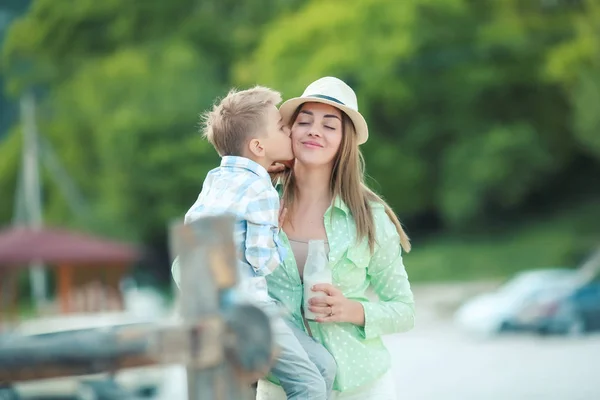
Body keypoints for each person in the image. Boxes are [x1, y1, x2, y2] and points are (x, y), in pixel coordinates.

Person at [171, 86, 337, 400]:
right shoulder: (261, 192)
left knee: (324, 367)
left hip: (207, 311)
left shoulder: (216, 179)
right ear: (259, 146)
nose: (288, 130)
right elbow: (263, 262)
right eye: (280, 126)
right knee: (310, 385)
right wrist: (274, 228)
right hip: (246, 313)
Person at [257, 77, 415, 400]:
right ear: (290, 132)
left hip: (361, 386)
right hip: (281, 386)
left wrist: (350, 309)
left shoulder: (370, 218)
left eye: (330, 125)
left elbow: (404, 310)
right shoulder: (258, 201)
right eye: (305, 122)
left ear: (345, 141)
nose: (315, 131)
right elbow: (190, 268)